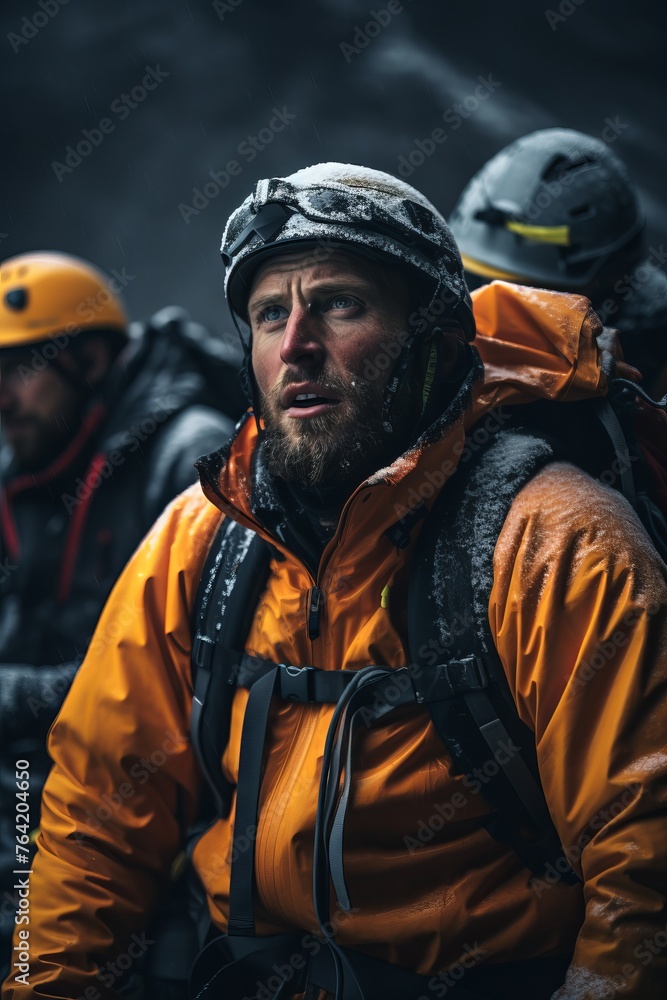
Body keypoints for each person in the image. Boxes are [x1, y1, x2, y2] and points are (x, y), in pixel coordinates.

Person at [3, 166, 667, 1000]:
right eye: (269, 315)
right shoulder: (199, 538)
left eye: (340, 304)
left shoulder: (557, 541)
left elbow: (643, 867)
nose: (296, 346)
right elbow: (91, 822)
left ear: (431, 333)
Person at [0, 251, 245, 982]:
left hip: (158, 799)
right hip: (37, 770)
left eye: (20, 368)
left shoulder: (188, 455)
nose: (2, 398)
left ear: (92, 359)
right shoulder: (28, 472)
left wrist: (14, 695)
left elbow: (193, 675)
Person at [448, 127, 667, 397]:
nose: (492, 299)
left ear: (607, 282)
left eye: (530, 293)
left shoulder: (655, 344)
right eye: (477, 280)